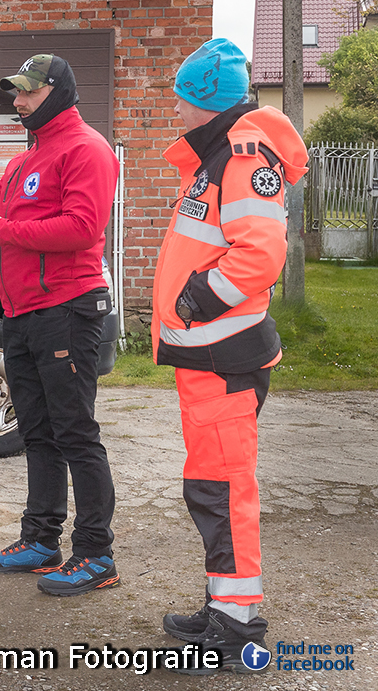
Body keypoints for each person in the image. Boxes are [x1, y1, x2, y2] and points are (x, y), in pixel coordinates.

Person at [151, 38, 307, 673]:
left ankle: (239, 627)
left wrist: (197, 298)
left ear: (206, 103)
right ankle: (224, 609)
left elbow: (259, 254)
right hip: (211, 358)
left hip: (223, 356)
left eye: (186, 101)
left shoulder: (241, 156)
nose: (179, 112)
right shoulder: (219, 153)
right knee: (211, 487)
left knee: (223, 490)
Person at [0, 54, 120, 596]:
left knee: (75, 432)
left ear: (57, 92)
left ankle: (96, 554)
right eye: (16, 94)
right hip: (23, 311)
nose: (18, 102)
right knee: (37, 432)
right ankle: (41, 541)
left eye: (27, 93)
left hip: (68, 309)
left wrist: (3, 228)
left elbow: (81, 227)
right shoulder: (29, 157)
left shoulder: (87, 149)